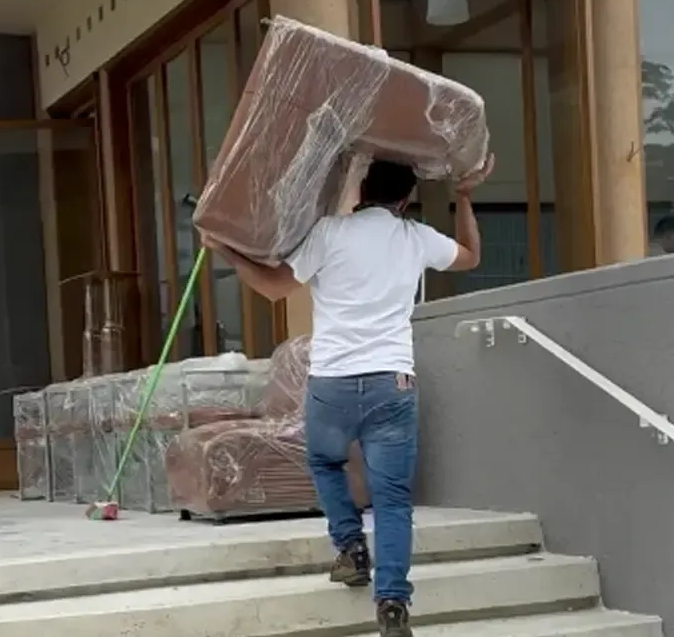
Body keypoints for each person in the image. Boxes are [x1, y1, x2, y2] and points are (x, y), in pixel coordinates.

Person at [201, 155, 493, 637]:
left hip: (333, 382)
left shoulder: (328, 233)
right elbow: (470, 256)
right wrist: (463, 197)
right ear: (406, 199)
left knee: (324, 463)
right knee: (393, 499)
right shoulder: (415, 237)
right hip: (392, 383)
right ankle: (393, 603)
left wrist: (227, 250)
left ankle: (351, 548)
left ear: (361, 192)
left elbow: (274, 288)